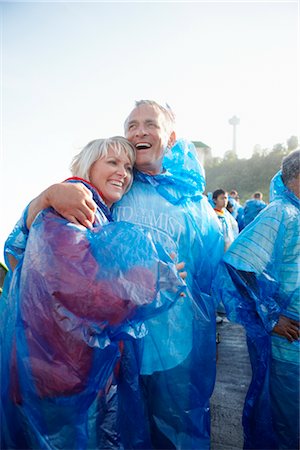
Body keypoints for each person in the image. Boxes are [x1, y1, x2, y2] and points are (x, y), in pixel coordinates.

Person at [7, 100, 224, 449]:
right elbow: (26, 252)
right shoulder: (97, 196)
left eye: (149, 124)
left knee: (175, 432)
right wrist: (45, 197)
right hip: (113, 352)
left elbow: (213, 273)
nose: (139, 131)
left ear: (170, 136)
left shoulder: (192, 203)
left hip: (173, 346)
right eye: (131, 125)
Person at [213, 149, 300, 450]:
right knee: (288, 425)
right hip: (290, 345)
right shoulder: (282, 213)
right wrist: (271, 317)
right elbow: (239, 264)